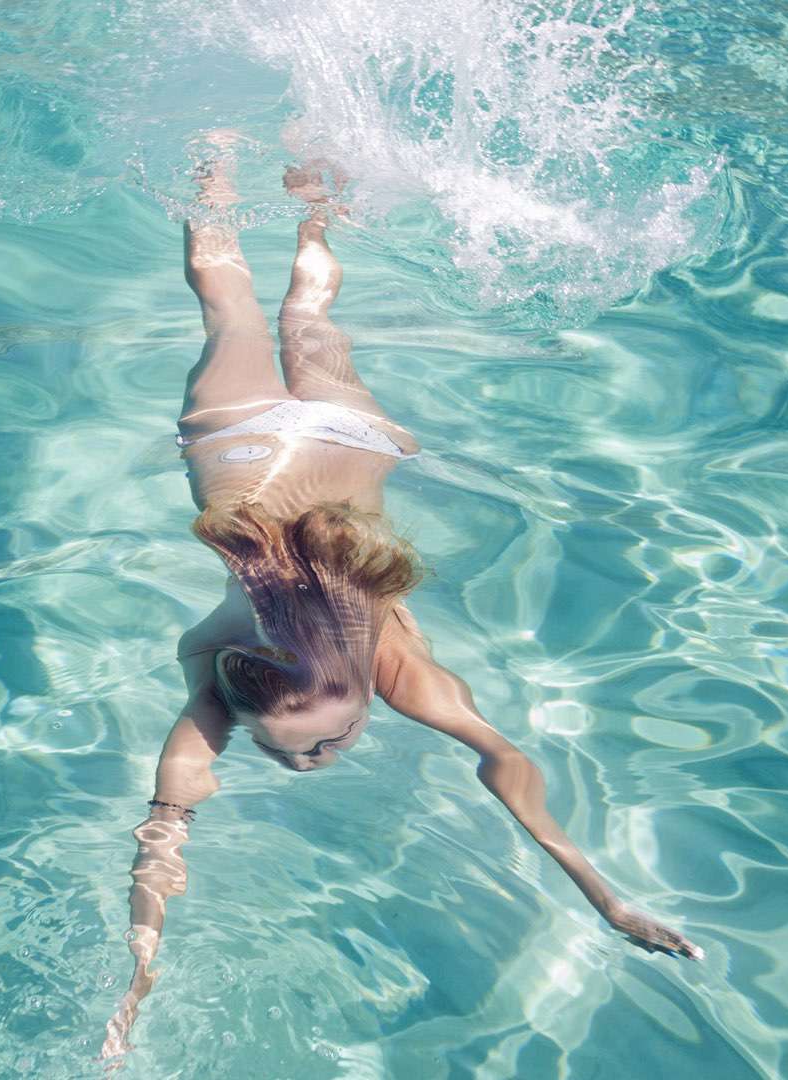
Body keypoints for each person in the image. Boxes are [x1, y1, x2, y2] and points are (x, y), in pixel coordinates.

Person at [102, 138, 700, 1059]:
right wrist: (135, 984)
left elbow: (164, 841)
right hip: (246, 449)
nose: (309, 764)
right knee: (235, 307)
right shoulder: (246, 678)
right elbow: (163, 836)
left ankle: (301, 188)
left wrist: (605, 896)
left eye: (313, 746)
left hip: (346, 440)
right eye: (313, 748)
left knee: (296, 314)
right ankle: (247, 171)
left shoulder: (364, 674)